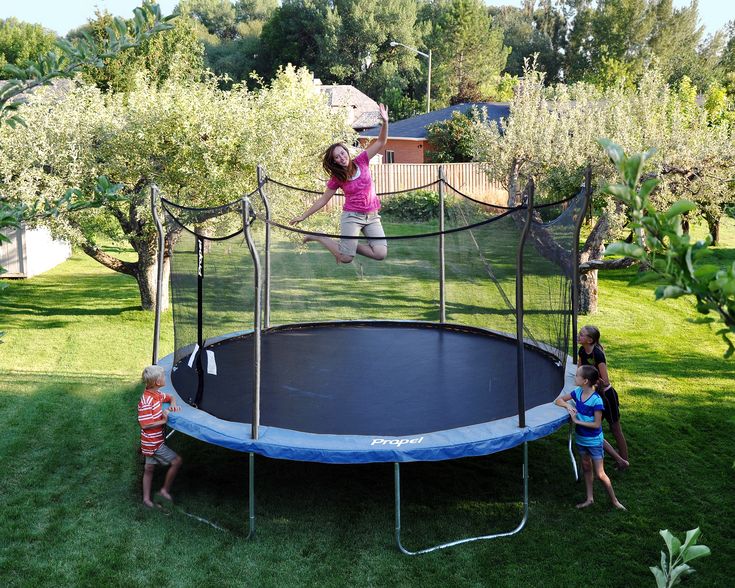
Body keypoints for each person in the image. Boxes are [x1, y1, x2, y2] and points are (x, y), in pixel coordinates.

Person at [290, 104, 390, 264]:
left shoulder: (362, 161)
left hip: (372, 216)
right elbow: (323, 200)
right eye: (337, 157)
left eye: (342, 153)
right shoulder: (337, 178)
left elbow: (381, 141)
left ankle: (350, 243)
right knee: (345, 258)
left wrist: (385, 122)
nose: (341, 157)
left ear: (347, 152)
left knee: (380, 253)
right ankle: (320, 236)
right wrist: (304, 216)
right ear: (334, 161)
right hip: (352, 216)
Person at [555, 365, 626, 510]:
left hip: (594, 441)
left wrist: (576, 421)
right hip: (581, 439)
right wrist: (568, 407)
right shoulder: (578, 392)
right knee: (587, 468)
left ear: (585, 381)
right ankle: (590, 499)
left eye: (577, 376)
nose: (574, 378)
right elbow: (559, 400)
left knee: (600, 474)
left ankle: (614, 501)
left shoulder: (596, 401)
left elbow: (596, 424)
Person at [577, 325, 629, 470]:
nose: (578, 335)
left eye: (581, 334)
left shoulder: (598, 354)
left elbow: (605, 380)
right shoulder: (582, 350)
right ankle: (618, 460)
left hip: (606, 395)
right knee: (594, 429)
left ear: (590, 339)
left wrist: (590, 380)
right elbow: (580, 371)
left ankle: (624, 460)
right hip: (593, 396)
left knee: (615, 428)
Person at [137, 364, 182, 508]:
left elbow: (169, 397)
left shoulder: (156, 394)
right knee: (177, 462)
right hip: (153, 443)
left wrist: (173, 403)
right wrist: (164, 420)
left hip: (150, 442)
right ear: (157, 382)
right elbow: (144, 424)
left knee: (149, 469)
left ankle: (146, 499)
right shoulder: (146, 401)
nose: (165, 378)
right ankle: (164, 491)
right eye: (163, 376)